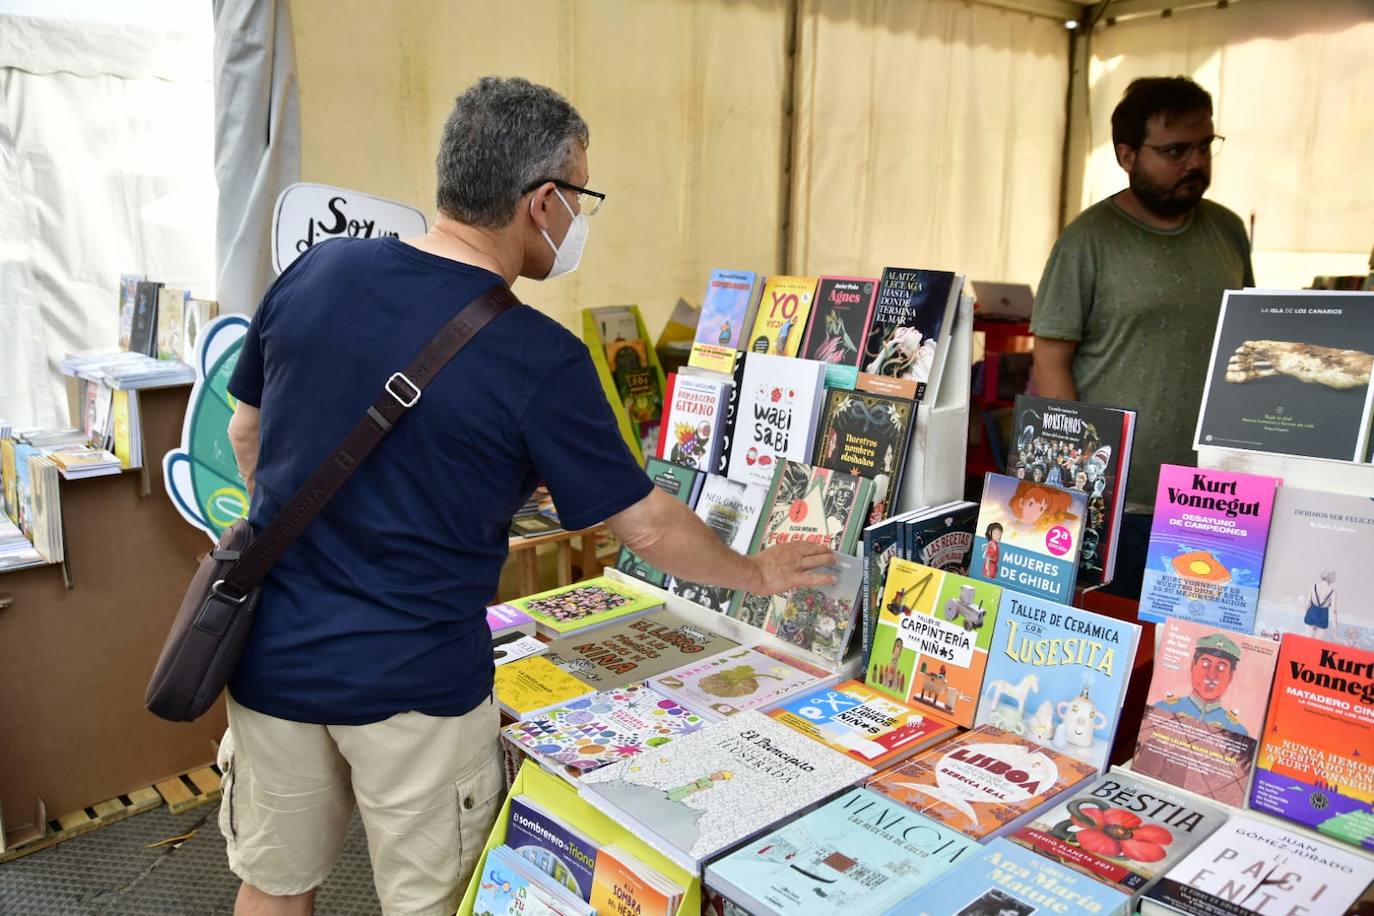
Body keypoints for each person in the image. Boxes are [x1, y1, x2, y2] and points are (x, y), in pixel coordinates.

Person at [221, 77, 834, 916]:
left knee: (273, 885)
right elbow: (648, 527)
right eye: (581, 196)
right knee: (430, 903)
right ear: (542, 202)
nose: (579, 217)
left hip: (273, 656)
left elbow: (247, 432)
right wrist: (757, 573)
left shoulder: (318, 270)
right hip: (418, 688)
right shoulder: (536, 354)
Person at [1030, 76, 1254, 600]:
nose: (1195, 162)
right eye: (1175, 151)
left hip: (1218, 498)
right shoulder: (1087, 240)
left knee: (1198, 638)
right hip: (1119, 508)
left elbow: (1243, 341)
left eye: (1205, 145)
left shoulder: (1226, 230)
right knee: (1122, 639)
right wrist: (1084, 490)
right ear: (1126, 155)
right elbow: (1050, 364)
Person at [1153, 632, 1248, 736]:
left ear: (1230, 676)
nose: (1211, 676)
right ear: (1192, 666)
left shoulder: (1237, 731)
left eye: (1221, 668)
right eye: (1205, 664)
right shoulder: (1162, 709)